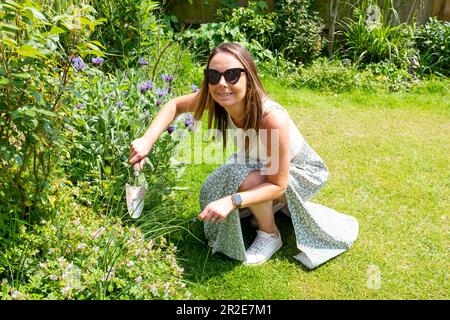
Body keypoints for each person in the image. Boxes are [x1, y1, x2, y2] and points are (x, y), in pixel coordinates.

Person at [129, 42, 359, 269]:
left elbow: (277, 185)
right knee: (214, 188)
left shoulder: (270, 117)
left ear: (248, 76)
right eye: (213, 75)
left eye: (232, 75)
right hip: (256, 163)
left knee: (244, 180)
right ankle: (273, 208)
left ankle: (270, 234)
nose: (221, 84)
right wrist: (146, 140)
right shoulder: (215, 98)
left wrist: (233, 200)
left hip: (299, 172)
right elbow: (175, 105)